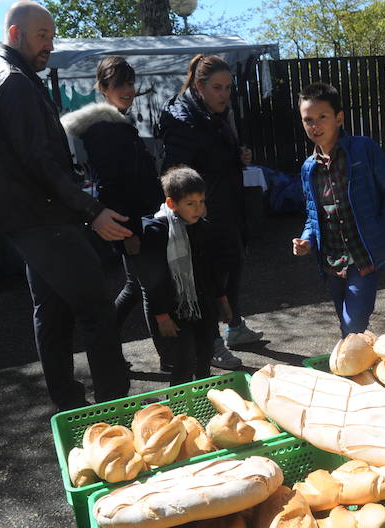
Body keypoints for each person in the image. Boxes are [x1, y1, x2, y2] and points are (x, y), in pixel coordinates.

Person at [0, 1, 130, 410]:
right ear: (15, 35)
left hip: (33, 218)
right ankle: (114, 409)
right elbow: (39, 162)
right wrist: (91, 210)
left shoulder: (12, 76)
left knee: (53, 310)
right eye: (42, 35)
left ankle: (69, 403)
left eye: (52, 35)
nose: (50, 44)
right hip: (44, 218)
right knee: (96, 309)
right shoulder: (12, 80)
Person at [61, 56, 172, 374]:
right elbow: (111, 186)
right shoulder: (105, 129)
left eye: (130, 83)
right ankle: (169, 358)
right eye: (119, 84)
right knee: (151, 286)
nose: (127, 89)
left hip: (138, 218)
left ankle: (104, 349)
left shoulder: (117, 122)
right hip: (129, 222)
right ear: (103, 88)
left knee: (135, 286)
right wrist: (131, 233)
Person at [158, 54, 262, 371]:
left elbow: (217, 157)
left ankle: (234, 326)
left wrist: (238, 157)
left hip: (225, 206)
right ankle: (213, 342)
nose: (224, 94)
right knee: (209, 280)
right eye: (217, 87)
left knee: (233, 266)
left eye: (228, 88)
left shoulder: (213, 113)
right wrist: (193, 212)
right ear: (200, 86)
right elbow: (176, 173)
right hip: (201, 214)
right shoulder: (183, 119)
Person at [292, 82, 385, 338]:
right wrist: (307, 240)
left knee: (353, 324)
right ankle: (360, 361)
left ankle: (355, 361)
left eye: (322, 117)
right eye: (308, 120)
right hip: (331, 260)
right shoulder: (309, 168)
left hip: (363, 256)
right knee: (346, 324)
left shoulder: (363, 149)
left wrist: (382, 230)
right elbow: (312, 215)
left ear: (339, 118)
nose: (315, 126)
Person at [136, 166, 229, 385]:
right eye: (190, 204)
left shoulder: (202, 227)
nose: (198, 209)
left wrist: (222, 299)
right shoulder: (156, 231)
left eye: (202, 202)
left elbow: (211, 269)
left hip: (201, 304)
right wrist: (161, 316)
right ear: (172, 203)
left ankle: (203, 401)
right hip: (172, 309)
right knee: (184, 360)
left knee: (205, 352)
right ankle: (179, 408)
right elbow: (151, 279)